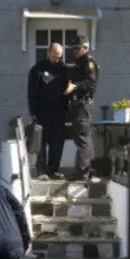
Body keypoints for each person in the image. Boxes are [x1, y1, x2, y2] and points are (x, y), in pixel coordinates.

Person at [27, 41, 75, 179]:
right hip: (42, 111)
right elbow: (32, 93)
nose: (57, 59)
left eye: (60, 56)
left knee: (57, 142)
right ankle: (41, 171)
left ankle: (53, 170)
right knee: (41, 142)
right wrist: (33, 112)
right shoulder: (37, 70)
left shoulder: (65, 70)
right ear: (48, 53)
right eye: (55, 55)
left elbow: (70, 90)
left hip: (59, 112)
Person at [66, 38, 100, 181]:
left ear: (85, 48)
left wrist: (75, 86)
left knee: (82, 137)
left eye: (77, 48)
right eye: (73, 48)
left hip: (82, 104)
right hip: (77, 104)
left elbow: (91, 81)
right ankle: (86, 168)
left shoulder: (88, 63)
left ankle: (82, 172)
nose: (74, 51)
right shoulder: (79, 64)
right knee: (83, 136)